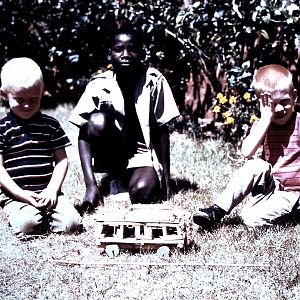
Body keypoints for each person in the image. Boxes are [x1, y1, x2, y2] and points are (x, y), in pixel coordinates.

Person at [69, 25, 179, 213]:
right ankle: (110, 178)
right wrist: (90, 185)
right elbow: (83, 132)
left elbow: (162, 129)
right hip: (113, 155)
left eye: (132, 49)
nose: (126, 54)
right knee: (96, 120)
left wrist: (166, 181)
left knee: (143, 195)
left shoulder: (154, 81)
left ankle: (126, 182)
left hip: (142, 156)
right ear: (109, 54)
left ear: (141, 52)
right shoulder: (99, 85)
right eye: (119, 49)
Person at [193, 64, 299, 228]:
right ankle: (217, 210)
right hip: (272, 187)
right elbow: (246, 152)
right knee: (255, 164)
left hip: (293, 194)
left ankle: (294, 214)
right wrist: (265, 119)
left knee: (250, 218)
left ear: (294, 97)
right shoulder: (263, 123)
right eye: (272, 104)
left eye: (284, 102)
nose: (278, 109)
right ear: (262, 104)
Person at [0, 57, 81, 236]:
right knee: (29, 225)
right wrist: (21, 194)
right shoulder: (2, 128)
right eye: (19, 100)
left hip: (49, 192)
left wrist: (52, 190)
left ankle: (47, 213)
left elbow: (62, 161)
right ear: (4, 95)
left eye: (34, 99)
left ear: (42, 91)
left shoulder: (50, 125)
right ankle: (24, 214)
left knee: (71, 224)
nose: (27, 105)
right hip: (16, 195)